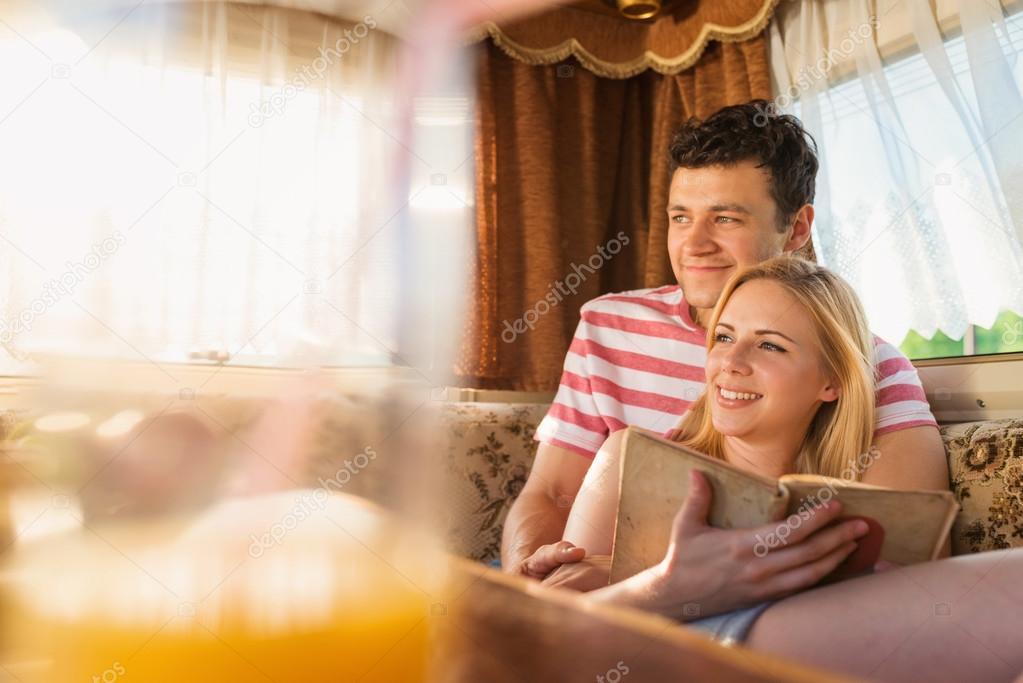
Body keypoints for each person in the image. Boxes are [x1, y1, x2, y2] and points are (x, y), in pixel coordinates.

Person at [502, 101, 949, 587]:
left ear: (797, 228)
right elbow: (550, 495)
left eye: (726, 219)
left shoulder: (869, 364)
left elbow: (906, 561)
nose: (693, 244)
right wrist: (525, 590)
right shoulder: (607, 325)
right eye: (680, 217)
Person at [558, 256, 1022, 683]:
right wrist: (648, 585)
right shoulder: (623, 460)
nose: (731, 363)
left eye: (769, 346)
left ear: (831, 382)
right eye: (724, 336)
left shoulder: (853, 499)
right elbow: (543, 634)